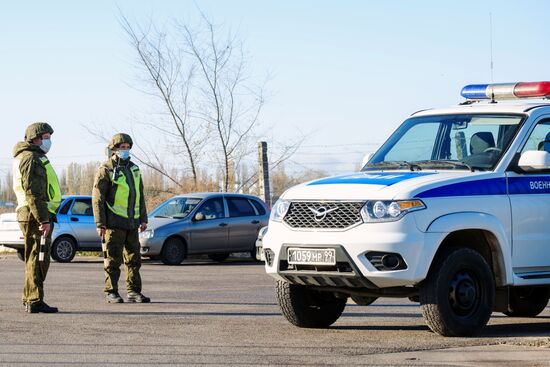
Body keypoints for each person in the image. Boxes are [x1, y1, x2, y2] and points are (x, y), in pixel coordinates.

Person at [92, 133, 150, 303]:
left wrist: (143, 218)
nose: (125, 150)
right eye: (121, 148)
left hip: (132, 222)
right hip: (114, 223)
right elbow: (98, 199)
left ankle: (133, 291)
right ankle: (111, 291)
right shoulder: (106, 169)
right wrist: (100, 223)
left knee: (134, 259)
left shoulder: (134, 169)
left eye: (127, 147)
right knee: (113, 259)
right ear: (114, 149)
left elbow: (139, 196)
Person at [12, 122, 62, 313]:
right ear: (35, 138)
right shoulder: (31, 158)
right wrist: (44, 219)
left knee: (35, 257)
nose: (49, 141)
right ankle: (34, 300)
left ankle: (30, 297)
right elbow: (33, 192)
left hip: (32, 212)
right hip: (34, 214)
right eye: (46, 137)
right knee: (38, 258)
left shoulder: (30, 156)